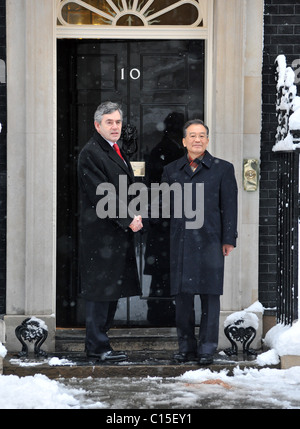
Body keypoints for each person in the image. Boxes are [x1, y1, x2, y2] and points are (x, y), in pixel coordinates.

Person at [161, 119, 238, 365]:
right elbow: (165, 207)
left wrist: (229, 238)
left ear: (207, 140)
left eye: (202, 135)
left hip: (211, 241)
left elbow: (229, 207)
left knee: (210, 297)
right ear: (184, 141)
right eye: (192, 136)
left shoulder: (223, 169)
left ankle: (207, 348)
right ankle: (186, 347)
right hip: (181, 242)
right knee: (182, 299)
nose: (197, 139)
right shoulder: (171, 170)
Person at [77, 101, 143, 362]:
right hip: (100, 235)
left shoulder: (115, 149)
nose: (115, 127)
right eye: (109, 122)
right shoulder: (91, 153)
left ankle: (100, 342)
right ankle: (96, 346)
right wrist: (127, 219)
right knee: (100, 292)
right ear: (97, 125)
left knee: (110, 291)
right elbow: (100, 194)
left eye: (117, 122)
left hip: (114, 234)